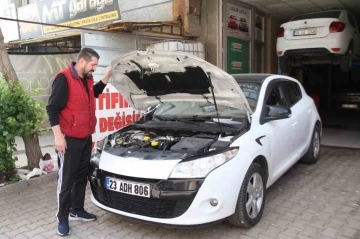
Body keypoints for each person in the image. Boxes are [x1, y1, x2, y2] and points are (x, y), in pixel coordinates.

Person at [46, 48, 111, 236]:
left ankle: (77, 210)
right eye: (93, 64)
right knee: (66, 182)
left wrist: (107, 76)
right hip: (69, 140)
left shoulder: (88, 79)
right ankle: (62, 217)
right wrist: (58, 137)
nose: (95, 68)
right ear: (82, 61)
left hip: (85, 138)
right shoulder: (64, 78)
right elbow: (52, 109)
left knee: (81, 177)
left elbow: (95, 92)